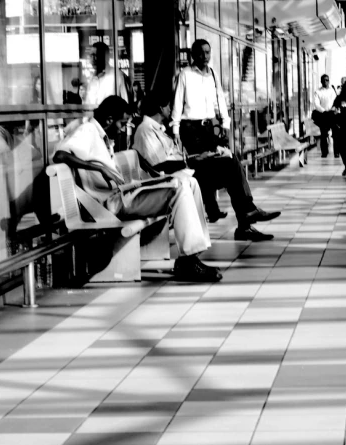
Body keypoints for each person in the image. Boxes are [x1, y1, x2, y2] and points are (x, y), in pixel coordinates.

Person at [53, 95, 222, 283]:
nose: (123, 128)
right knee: (180, 187)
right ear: (109, 119)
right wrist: (99, 168)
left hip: (121, 196)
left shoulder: (100, 134)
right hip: (111, 205)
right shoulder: (87, 130)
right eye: (122, 123)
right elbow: (60, 155)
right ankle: (188, 261)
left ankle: (194, 256)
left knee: (189, 181)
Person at [170, 39, 281, 241]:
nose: (205, 56)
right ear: (193, 55)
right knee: (229, 164)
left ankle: (245, 218)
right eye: (201, 53)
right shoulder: (185, 74)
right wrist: (176, 130)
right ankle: (246, 215)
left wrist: (226, 123)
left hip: (208, 127)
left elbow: (220, 99)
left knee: (232, 161)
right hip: (190, 129)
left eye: (207, 52)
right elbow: (178, 102)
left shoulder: (212, 73)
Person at [85, 41, 132, 106]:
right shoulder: (91, 79)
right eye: (91, 55)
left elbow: (126, 105)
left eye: (96, 55)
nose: (93, 59)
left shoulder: (117, 76)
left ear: (105, 57)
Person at [312, 74, 338, 157]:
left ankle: (336, 152)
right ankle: (324, 152)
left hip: (332, 114)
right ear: (321, 81)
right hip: (323, 115)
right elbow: (316, 104)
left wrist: (333, 109)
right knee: (323, 134)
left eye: (327, 80)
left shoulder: (332, 90)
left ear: (329, 80)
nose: (325, 82)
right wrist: (324, 111)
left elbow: (336, 101)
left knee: (335, 134)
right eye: (323, 80)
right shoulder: (318, 92)